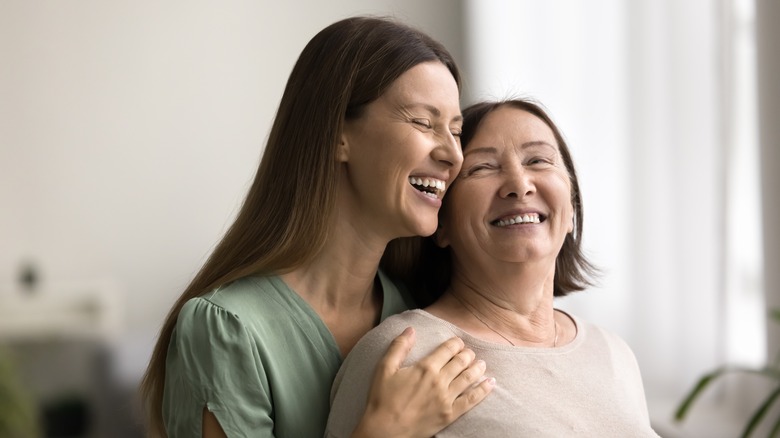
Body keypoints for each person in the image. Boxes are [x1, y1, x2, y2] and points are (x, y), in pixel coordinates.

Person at [139, 16, 496, 438]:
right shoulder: (226, 330)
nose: (452, 155)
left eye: (456, 131)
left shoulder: (419, 312)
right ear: (338, 136)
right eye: (423, 122)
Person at [326, 98, 661, 437]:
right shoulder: (405, 352)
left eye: (539, 160)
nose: (519, 184)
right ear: (441, 223)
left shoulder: (614, 353)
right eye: (483, 167)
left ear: (572, 208)